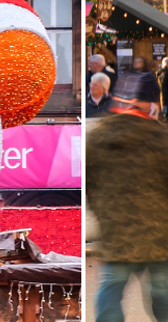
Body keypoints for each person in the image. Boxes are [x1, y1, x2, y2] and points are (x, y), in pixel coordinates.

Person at [89, 66, 168, 322]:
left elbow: (90, 186)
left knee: (111, 289)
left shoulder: (99, 136)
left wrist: (104, 215)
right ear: (149, 103)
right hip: (159, 235)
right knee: (163, 291)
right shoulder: (161, 138)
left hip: (116, 232)